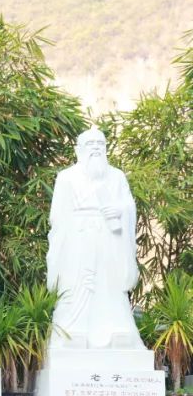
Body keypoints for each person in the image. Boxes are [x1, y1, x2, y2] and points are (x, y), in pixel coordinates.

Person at [46, 127, 143, 349]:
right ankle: (73, 331)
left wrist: (119, 210)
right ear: (79, 150)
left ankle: (118, 330)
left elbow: (128, 206)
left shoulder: (117, 176)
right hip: (78, 238)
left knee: (109, 283)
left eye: (100, 144)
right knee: (78, 283)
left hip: (110, 238)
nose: (96, 148)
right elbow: (57, 216)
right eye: (91, 144)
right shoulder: (66, 177)